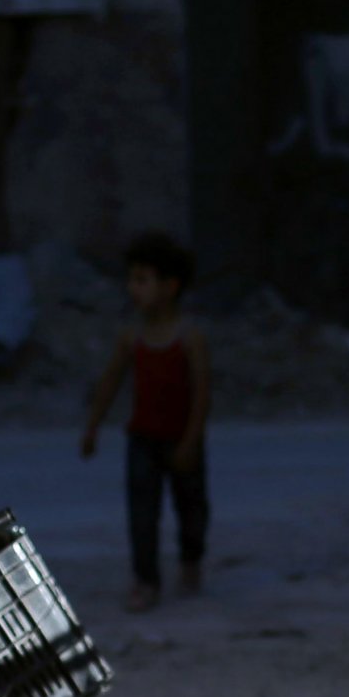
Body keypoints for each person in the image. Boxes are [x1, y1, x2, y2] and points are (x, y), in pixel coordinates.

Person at [81, 233, 212, 612]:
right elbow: (111, 382)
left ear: (169, 287)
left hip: (182, 438)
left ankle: (191, 559)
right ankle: (146, 581)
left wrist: (191, 440)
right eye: (131, 279)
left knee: (192, 512)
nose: (133, 289)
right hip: (143, 439)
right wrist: (93, 425)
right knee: (142, 515)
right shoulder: (131, 337)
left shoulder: (190, 338)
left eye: (142, 280)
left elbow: (202, 394)